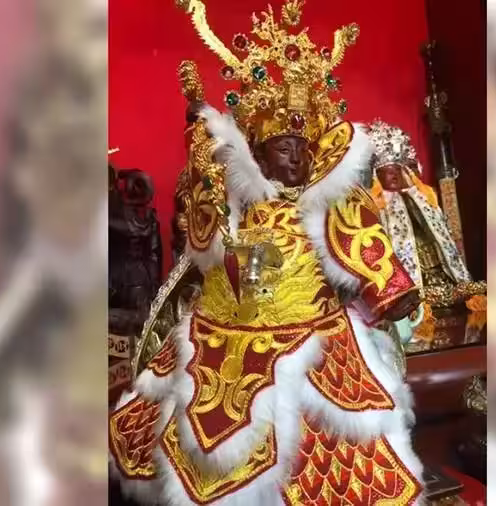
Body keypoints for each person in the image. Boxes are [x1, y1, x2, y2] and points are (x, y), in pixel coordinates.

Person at [110, 1, 426, 504]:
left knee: (344, 435)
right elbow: (206, 237)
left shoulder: (326, 202)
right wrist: (202, 158)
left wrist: (390, 288)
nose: (295, 158)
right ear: (258, 154)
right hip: (228, 329)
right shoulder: (239, 199)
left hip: (314, 327)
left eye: (302, 149)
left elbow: (363, 242)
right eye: (283, 148)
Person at [368, 120, 484, 344]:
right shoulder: (378, 208)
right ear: (376, 176)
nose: (395, 177)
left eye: (398, 171)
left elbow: (444, 239)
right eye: (388, 173)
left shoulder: (422, 198)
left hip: (438, 273)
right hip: (411, 285)